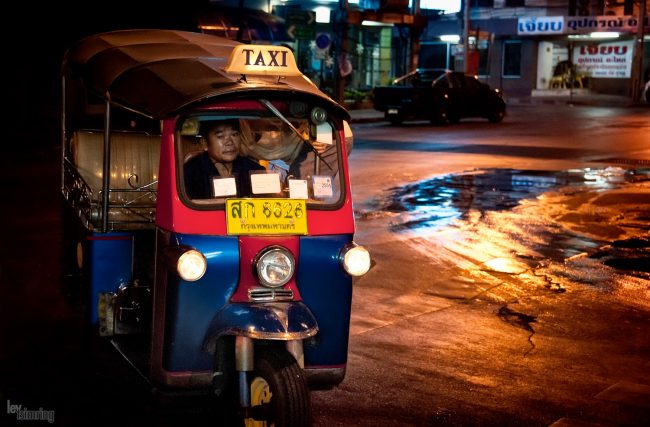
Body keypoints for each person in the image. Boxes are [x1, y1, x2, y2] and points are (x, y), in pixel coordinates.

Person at [183, 119, 264, 199]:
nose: (229, 142)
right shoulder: (189, 173)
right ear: (204, 143)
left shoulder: (254, 169)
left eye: (234, 134)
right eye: (220, 136)